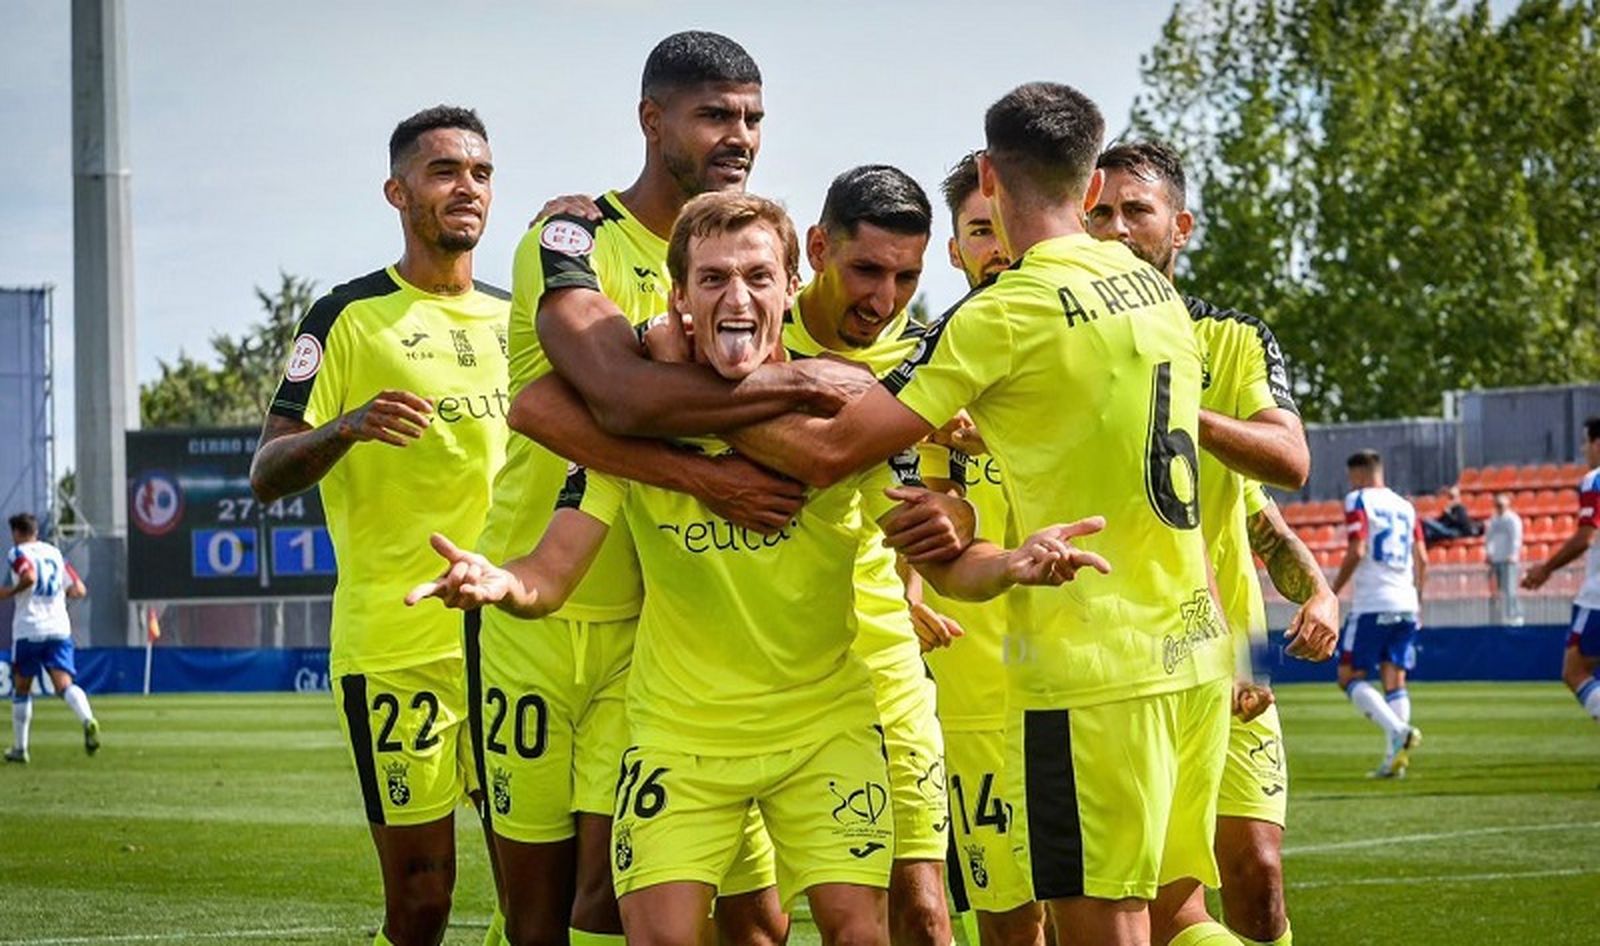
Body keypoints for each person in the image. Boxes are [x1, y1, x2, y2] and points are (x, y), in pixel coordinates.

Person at [408, 191, 1111, 946]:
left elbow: (947, 566)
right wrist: (502, 585)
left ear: (789, 286)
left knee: (860, 931)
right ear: (679, 297)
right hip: (681, 735)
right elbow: (550, 569)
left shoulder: (850, 417)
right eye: (711, 280)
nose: (736, 297)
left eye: (756, 277)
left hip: (824, 726)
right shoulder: (639, 428)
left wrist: (1011, 563)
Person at [719, 81, 1251, 946]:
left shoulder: (1004, 313)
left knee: (1102, 928)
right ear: (1089, 191)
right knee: (1184, 920)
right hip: (1190, 653)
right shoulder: (1153, 292)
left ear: (988, 180)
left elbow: (828, 453)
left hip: (1092, 669)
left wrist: (700, 388)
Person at [249, 106, 510, 946]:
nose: (466, 188)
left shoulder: (528, 318)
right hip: (398, 649)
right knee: (423, 905)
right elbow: (265, 473)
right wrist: (346, 425)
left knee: (537, 905)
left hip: (517, 640)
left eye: (479, 172)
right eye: (444, 172)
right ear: (398, 192)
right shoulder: (346, 317)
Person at [1331, 449, 1426, 779]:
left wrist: (1331, 592)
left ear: (1358, 473)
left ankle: (1399, 730)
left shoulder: (1358, 500)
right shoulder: (1406, 506)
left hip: (1374, 601)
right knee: (1394, 679)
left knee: (1348, 676)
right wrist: (1419, 601)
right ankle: (1393, 760)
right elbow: (1423, 558)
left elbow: (1357, 549)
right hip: (1406, 602)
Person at [1522, 417, 1600, 723]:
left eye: (1586, 443)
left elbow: (1585, 537)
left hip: (1598, 598)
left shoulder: (1595, 480)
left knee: (1575, 670)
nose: (1584, 450)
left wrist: (1546, 569)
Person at [3, 512, 94, 764]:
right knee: (64, 685)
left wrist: (13, 591)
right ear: (36, 531)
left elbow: (29, 576)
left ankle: (21, 749)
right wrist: (56, 596)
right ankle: (87, 719)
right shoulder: (55, 553)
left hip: (29, 628)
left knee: (22, 688)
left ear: (18, 533)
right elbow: (79, 589)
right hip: (59, 628)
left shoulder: (18, 553)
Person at [1485, 492, 1524, 626]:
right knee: (1498, 592)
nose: (1499, 508)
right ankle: (1501, 619)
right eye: (1497, 505)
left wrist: (1513, 554)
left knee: (1510, 590)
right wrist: (1489, 553)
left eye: (1501, 505)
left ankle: (1514, 617)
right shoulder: (1494, 520)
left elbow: (1516, 539)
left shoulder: (1512, 520)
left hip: (1508, 561)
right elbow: (1489, 539)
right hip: (1497, 560)